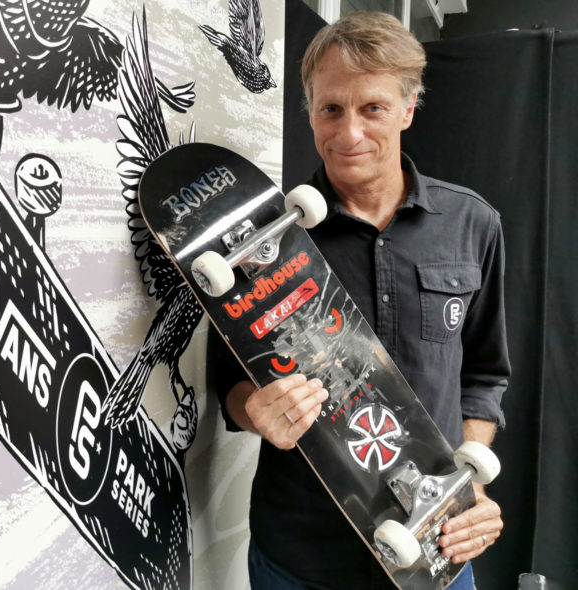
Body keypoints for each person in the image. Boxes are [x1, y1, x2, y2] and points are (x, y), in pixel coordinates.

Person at [207, 11, 510, 589]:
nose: (348, 134)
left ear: (407, 108)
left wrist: (468, 483)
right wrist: (257, 412)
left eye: (372, 107)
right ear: (311, 111)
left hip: (434, 543)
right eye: (331, 109)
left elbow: (485, 375)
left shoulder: (473, 224)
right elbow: (230, 387)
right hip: (300, 554)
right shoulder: (263, 244)